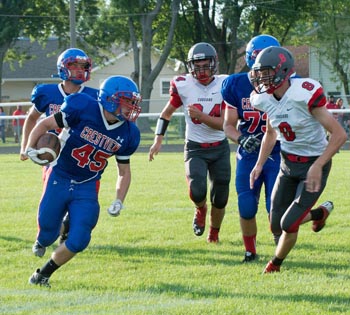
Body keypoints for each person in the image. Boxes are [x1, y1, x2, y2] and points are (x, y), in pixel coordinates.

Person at [25, 75, 142, 287]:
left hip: (87, 185)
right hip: (60, 176)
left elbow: (124, 170)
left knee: (80, 238)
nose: (132, 107)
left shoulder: (129, 133)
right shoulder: (82, 106)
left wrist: (119, 199)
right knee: (48, 231)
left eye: (133, 102)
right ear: (110, 99)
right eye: (127, 101)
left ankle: (43, 275)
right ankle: (42, 240)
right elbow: (45, 124)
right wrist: (31, 148)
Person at [249, 46, 347, 273]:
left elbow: (340, 135)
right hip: (287, 164)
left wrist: (318, 165)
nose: (261, 78)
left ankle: (275, 264)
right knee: (275, 224)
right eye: (259, 73)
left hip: (313, 164)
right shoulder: (263, 99)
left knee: (288, 223)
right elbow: (271, 132)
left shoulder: (304, 93)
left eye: (267, 72)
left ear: (282, 71)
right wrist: (260, 163)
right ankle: (319, 213)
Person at [149, 42, 231, 243]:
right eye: (197, 66)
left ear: (214, 64)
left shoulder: (226, 84)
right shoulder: (183, 84)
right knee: (197, 191)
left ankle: (214, 234)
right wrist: (158, 139)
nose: (201, 71)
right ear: (190, 66)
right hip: (195, 147)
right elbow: (166, 113)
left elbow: (225, 125)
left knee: (220, 197)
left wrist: (202, 116)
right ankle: (200, 209)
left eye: (205, 65)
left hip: (219, 147)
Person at [20, 48, 99, 246]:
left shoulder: (94, 97)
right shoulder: (46, 93)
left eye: (84, 67)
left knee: (80, 207)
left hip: (79, 158)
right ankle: (45, 236)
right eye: (74, 66)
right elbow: (32, 118)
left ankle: (68, 226)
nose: (80, 70)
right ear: (63, 68)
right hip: (52, 156)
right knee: (53, 203)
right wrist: (25, 146)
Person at [221, 34, 281, 262]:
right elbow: (227, 125)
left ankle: (279, 246)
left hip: (277, 153)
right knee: (246, 206)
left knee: (274, 207)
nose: (266, 72)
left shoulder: (283, 84)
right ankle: (250, 251)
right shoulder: (236, 84)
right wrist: (241, 138)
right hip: (248, 153)